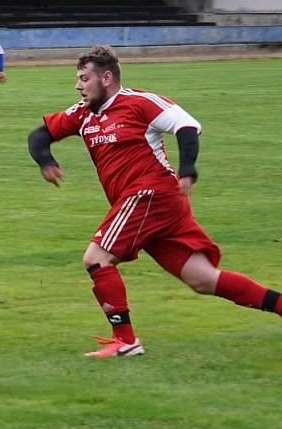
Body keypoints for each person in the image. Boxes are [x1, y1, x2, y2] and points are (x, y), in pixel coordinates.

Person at [27, 45, 282, 358]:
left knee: (96, 258)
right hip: (153, 206)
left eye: (84, 78)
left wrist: (188, 169)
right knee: (202, 280)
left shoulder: (139, 103)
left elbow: (187, 126)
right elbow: (39, 136)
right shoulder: (82, 113)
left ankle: (126, 340)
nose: (78, 86)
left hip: (150, 195)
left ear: (106, 78)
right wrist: (45, 160)